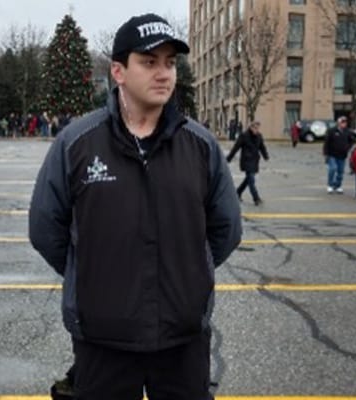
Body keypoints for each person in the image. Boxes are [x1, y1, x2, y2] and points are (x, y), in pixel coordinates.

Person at [29, 13, 242, 400]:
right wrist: (92, 273)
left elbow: (226, 229)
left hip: (182, 339)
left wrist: (187, 274)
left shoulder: (201, 145)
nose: (164, 74)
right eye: (149, 62)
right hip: (103, 339)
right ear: (118, 71)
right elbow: (46, 229)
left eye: (170, 63)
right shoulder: (77, 143)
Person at [226, 121, 269, 205]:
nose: (256, 130)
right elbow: (236, 147)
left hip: (255, 161)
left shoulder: (259, 136)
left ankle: (237, 192)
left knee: (248, 180)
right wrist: (228, 158)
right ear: (251, 127)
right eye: (255, 128)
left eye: (258, 128)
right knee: (251, 180)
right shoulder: (244, 136)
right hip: (246, 161)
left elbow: (262, 147)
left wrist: (265, 156)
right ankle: (256, 198)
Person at [323, 116, 353, 194]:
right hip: (332, 154)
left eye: (345, 122)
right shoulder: (331, 131)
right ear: (338, 123)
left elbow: (351, 140)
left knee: (340, 171)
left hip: (342, 155)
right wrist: (325, 153)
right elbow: (326, 142)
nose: (344, 124)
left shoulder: (348, 131)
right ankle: (330, 185)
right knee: (333, 168)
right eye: (342, 122)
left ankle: (338, 186)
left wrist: (348, 147)